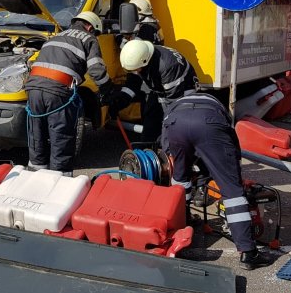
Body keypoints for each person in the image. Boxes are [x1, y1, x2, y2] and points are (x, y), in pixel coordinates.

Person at [113, 40, 271, 270]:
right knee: (233, 192)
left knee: (179, 181)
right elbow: (230, 143)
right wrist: (230, 172)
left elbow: (167, 128)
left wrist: (172, 156)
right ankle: (248, 252)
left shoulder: (169, 67)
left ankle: (182, 224)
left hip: (175, 122)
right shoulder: (216, 106)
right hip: (206, 124)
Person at [25, 11, 113, 175]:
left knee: (37, 134)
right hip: (58, 91)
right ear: (90, 27)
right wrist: (108, 90)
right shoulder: (88, 38)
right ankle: (59, 180)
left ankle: (34, 177)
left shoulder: (56, 37)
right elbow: (96, 70)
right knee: (61, 136)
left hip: (33, 89)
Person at [108, 40, 199, 143]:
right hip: (161, 89)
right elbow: (133, 83)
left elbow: (173, 103)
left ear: (145, 62)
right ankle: (149, 148)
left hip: (182, 91)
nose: (135, 72)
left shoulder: (168, 66)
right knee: (150, 120)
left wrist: (165, 132)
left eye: (136, 69)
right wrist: (121, 99)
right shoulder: (140, 57)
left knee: (176, 127)